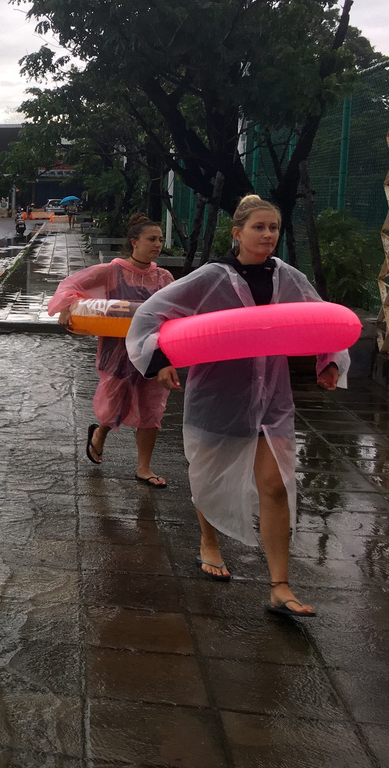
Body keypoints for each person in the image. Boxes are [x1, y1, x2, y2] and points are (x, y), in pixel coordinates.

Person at [127, 195, 350, 617]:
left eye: (274, 229)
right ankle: (209, 542)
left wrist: (330, 363)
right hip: (219, 393)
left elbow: (319, 319)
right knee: (208, 474)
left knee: (276, 485)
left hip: (273, 399)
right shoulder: (212, 277)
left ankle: (280, 587)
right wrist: (159, 362)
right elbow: (151, 315)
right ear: (238, 233)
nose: (268, 236)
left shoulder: (289, 277)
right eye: (259, 228)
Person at [47, 213, 174, 489]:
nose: (158, 244)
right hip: (117, 351)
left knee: (153, 409)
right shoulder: (112, 271)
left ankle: (144, 468)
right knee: (115, 402)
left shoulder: (163, 277)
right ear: (134, 242)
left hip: (153, 351)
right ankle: (100, 433)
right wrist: (68, 306)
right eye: (151, 239)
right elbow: (72, 285)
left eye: (160, 239)